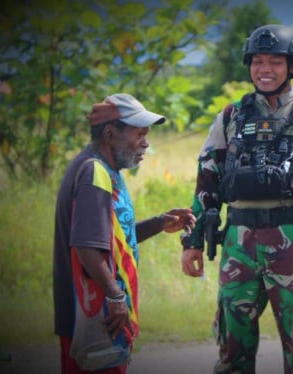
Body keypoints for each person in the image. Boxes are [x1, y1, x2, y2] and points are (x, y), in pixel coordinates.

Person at [180, 24, 293, 374]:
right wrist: (193, 240)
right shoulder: (230, 116)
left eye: (275, 62)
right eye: (257, 61)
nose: (264, 69)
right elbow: (207, 180)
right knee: (232, 347)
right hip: (238, 244)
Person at [53, 93, 196, 374]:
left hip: (99, 309)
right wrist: (116, 297)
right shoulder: (94, 173)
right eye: (139, 134)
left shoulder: (106, 170)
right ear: (110, 134)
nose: (146, 142)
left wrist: (158, 223)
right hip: (93, 312)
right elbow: (85, 246)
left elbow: (106, 238)